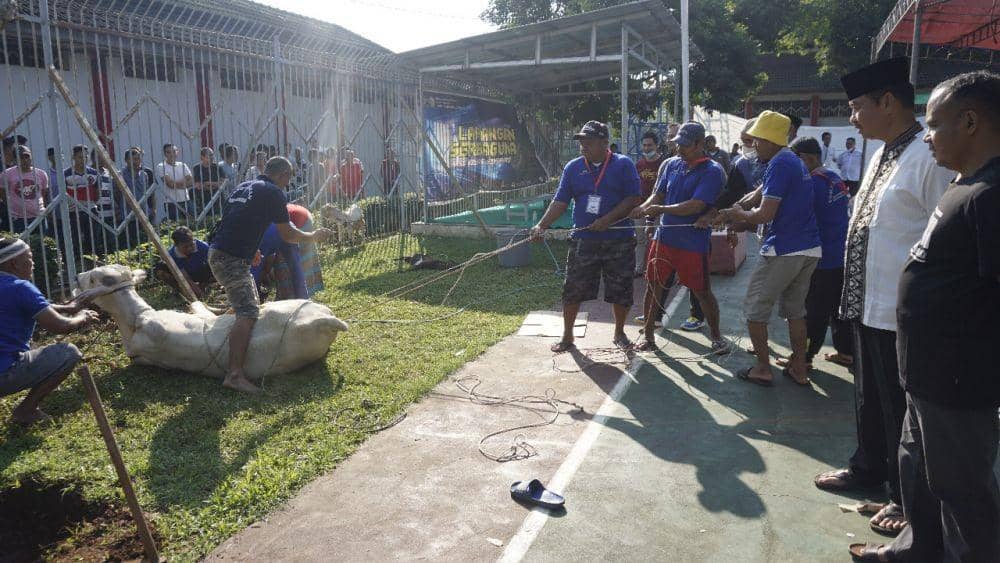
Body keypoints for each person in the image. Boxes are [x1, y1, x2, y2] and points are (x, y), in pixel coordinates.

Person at [850, 71, 1000, 563]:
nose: (928, 134)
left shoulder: (990, 196)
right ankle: (915, 550)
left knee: (961, 490)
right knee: (919, 468)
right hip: (928, 369)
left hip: (959, 376)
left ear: (971, 121)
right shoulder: (966, 184)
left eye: (935, 124)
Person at [813, 57, 952, 539]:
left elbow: (946, 235)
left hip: (902, 310)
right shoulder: (881, 153)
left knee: (898, 406)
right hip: (865, 302)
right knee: (868, 396)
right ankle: (868, 466)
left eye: (856, 108)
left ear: (887, 102)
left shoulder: (928, 156)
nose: (852, 118)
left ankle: (904, 494)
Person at [208, 157, 332, 393]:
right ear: (283, 175)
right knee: (247, 312)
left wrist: (251, 249)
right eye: (289, 178)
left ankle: (229, 348)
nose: (288, 183)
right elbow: (287, 235)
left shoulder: (244, 187)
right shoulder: (274, 192)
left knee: (246, 305)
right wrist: (313, 236)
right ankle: (234, 374)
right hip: (230, 258)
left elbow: (235, 221)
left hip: (221, 252)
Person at [718, 110, 821, 386]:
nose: (753, 146)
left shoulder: (779, 163)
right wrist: (733, 209)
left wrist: (738, 216)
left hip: (783, 249)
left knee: (753, 308)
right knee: (795, 310)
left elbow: (765, 214)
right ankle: (799, 366)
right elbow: (759, 193)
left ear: (772, 141)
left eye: (758, 141)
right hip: (808, 248)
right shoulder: (791, 160)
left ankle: (762, 368)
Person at [530, 120, 642, 352]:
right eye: (581, 143)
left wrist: (606, 220)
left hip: (618, 240)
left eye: (588, 143)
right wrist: (541, 225)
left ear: (604, 143)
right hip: (584, 241)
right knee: (572, 288)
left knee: (621, 289)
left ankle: (620, 332)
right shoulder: (573, 167)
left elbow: (633, 199)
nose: (583, 147)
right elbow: (560, 201)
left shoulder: (623, 165)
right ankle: (567, 336)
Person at [631, 122, 729, 354]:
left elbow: (695, 205)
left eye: (685, 145)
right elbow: (658, 193)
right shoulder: (672, 164)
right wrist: (644, 208)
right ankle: (648, 336)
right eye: (677, 145)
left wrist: (660, 210)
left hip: (692, 244)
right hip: (664, 239)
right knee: (653, 286)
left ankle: (716, 337)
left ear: (700, 144)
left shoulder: (712, 170)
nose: (679, 149)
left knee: (701, 291)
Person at [0, 237, 99, 426]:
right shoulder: (21, 288)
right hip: (4, 373)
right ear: (14, 263)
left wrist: (68, 307)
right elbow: (59, 326)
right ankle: (26, 410)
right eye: (29, 258)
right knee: (68, 353)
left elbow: (30, 305)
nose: (34, 263)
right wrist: (82, 317)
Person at [784, 137, 853, 369]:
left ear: (811, 158)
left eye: (797, 160)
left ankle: (803, 358)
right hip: (839, 253)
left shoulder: (812, 183)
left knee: (814, 311)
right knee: (837, 308)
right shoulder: (833, 178)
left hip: (821, 257)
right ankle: (846, 352)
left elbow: (793, 215)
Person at [634, 131, 666, 277]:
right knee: (640, 239)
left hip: (659, 208)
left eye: (650, 145)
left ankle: (658, 269)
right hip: (641, 208)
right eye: (644, 145)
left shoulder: (664, 164)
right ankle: (638, 268)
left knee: (658, 239)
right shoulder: (639, 164)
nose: (647, 148)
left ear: (657, 145)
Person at [153, 226, 215, 299]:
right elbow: (185, 278)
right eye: (185, 247)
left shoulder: (202, 246)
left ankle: (204, 286)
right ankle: (180, 291)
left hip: (201, 272)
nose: (189, 248)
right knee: (160, 269)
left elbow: (215, 263)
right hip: (184, 275)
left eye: (191, 244)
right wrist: (199, 295)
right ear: (176, 245)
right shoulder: (172, 255)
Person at [62, 144, 101, 258]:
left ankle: (92, 258)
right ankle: (77, 260)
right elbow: (63, 193)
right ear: (73, 157)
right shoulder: (66, 173)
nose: (83, 159)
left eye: (85, 157)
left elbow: (97, 192)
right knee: (75, 238)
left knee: (93, 237)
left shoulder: (94, 173)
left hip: (91, 209)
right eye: (79, 157)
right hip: (73, 211)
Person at [2, 145, 50, 235]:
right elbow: (3, 193)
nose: (25, 160)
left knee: (42, 245)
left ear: (31, 157)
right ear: (15, 159)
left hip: (39, 217)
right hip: (18, 219)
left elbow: (44, 194)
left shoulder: (41, 174)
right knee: (22, 245)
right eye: (20, 157)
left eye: (27, 156)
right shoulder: (6, 174)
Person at [155, 143, 193, 222]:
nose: (172, 154)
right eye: (168, 152)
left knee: (191, 223)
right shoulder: (161, 166)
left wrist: (175, 183)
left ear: (177, 152)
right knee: (175, 225)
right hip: (171, 202)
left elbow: (191, 182)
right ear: (165, 154)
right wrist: (184, 181)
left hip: (186, 200)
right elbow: (170, 184)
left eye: (174, 151)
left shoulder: (183, 165)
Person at [192, 147, 224, 216]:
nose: (212, 157)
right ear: (202, 157)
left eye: (212, 155)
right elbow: (198, 186)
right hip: (203, 199)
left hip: (218, 199)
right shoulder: (197, 168)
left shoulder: (217, 167)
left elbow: (223, 183)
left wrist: (208, 183)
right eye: (209, 155)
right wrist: (215, 185)